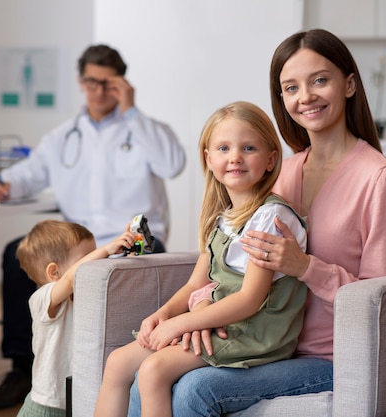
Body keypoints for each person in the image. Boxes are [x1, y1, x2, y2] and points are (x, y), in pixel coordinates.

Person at [126, 28, 386, 416]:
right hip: (258, 339)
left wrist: (307, 267)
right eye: (290, 87)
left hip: (329, 357)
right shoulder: (281, 173)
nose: (305, 96)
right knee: (147, 374)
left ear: (350, 84)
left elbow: (382, 301)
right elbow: (230, 266)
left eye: (320, 80)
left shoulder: (380, 179)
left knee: (194, 390)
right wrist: (200, 312)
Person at [0, 44, 186, 409]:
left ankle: (129, 366)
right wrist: (4, 183)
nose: (98, 90)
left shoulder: (142, 129)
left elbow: (173, 165)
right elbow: (29, 173)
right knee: (14, 251)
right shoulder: (63, 136)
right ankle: (20, 368)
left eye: (108, 83)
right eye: (91, 82)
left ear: (121, 84)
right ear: (80, 81)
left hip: (131, 242)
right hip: (75, 243)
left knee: (140, 263)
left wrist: (132, 112)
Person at [93, 101, 309, 417]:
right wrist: (163, 315)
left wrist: (183, 323)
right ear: (208, 159)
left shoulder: (271, 218)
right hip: (223, 322)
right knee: (117, 363)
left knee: (154, 371)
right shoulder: (223, 219)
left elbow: (250, 299)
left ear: (270, 159)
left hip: (255, 331)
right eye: (223, 148)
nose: (235, 157)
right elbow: (198, 282)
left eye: (248, 147)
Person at [14, 219, 136, 417]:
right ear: (54, 272)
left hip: (78, 402)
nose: (98, 264)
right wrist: (106, 249)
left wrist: (128, 252)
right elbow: (70, 278)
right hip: (46, 407)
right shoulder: (42, 299)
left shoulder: (87, 295)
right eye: (89, 259)